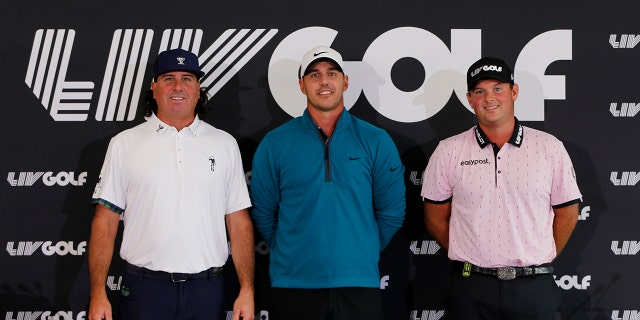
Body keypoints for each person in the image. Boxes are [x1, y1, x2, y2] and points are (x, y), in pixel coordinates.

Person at [88, 48, 255, 320]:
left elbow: (238, 221)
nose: (178, 86)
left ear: (198, 89)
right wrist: (97, 293)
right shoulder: (124, 145)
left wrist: (247, 289)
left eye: (187, 78)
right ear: (154, 88)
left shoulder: (224, 144)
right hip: (144, 289)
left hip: (207, 290)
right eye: (168, 78)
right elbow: (105, 221)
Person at [249, 46, 406, 320]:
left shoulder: (375, 140)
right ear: (302, 85)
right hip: (293, 284)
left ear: (345, 81)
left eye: (331, 73)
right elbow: (263, 212)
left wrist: (360, 247)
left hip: (358, 284)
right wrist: (296, 248)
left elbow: (392, 213)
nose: (324, 81)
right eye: (314, 75)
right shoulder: (275, 143)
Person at [421, 57, 582, 319]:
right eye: (479, 91)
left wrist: (538, 256)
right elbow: (435, 218)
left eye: (497, 88)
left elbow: (567, 212)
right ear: (469, 99)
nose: (489, 98)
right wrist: (471, 256)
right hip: (470, 286)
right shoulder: (448, 150)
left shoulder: (549, 147)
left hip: (533, 287)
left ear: (514, 91)